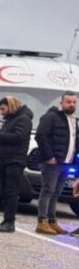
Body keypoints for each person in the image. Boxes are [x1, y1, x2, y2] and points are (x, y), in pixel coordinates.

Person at [33, 91, 78, 235]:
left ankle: (52, 221)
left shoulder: (72, 119)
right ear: (61, 103)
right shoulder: (51, 117)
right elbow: (40, 136)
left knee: (56, 193)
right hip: (52, 162)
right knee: (47, 191)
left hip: (66, 162)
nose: (71, 104)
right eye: (68, 102)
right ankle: (42, 221)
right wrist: (49, 156)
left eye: (74, 102)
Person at [0, 96, 33, 233]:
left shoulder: (23, 119)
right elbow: (7, 139)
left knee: (11, 192)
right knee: (7, 191)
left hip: (15, 160)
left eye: (3, 109)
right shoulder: (10, 120)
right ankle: (6, 219)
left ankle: (9, 221)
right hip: (5, 160)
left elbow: (19, 137)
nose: (1, 112)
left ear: (11, 106)